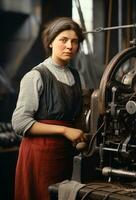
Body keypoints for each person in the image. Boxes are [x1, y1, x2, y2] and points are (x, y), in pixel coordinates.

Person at [12, 17, 87, 200]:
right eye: (63, 40)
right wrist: (64, 130)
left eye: (74, 41)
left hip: (64, 154)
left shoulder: (76, 77)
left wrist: (81, 137)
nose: (69, 46)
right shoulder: (36, 76)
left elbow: (77, 116)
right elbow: (20, 123)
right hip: (39, 154)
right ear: (51, 42)